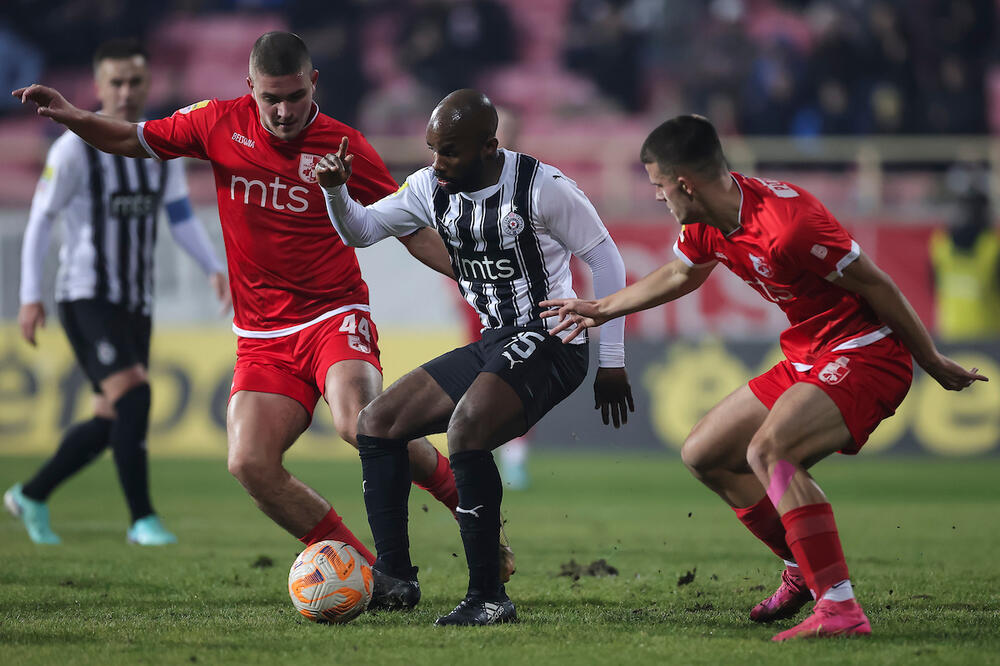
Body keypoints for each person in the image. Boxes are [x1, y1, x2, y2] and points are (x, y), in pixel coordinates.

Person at [10, 32, 478, 571]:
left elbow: (410, 228)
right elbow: (129, 138)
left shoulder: (343, 145)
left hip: (333, 314)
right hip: (261, 337)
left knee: (360, 424)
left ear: (313, 83)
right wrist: (73, 116)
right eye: (270, 98)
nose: (282, 112)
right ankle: (361, 570)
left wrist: (470, 278)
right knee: (250, 463)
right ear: (249, 87)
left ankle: (469, 509)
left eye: (294, 96)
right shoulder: (216, 122)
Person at [540, 115, 987, 641]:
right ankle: (803, 563)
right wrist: (601, 308)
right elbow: (681, 272)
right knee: (704, 453)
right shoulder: (706, 221)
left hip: (867, 352)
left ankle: (840, 609)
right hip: (809, 354)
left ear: (683, 182)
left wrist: (931, 361)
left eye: (657, 185)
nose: (656, 197)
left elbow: (877, 282)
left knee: (769, 451)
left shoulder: (788, 225)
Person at [318, 88, 635, 626]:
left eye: (451, 153)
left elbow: (606, 261)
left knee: (466, 431)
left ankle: (489, 596)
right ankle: (395, 578)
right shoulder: (428, 186)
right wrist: (336, 192)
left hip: (553, 337)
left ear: (490, 148)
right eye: (433, 149)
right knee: (377, 423)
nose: (437, 164)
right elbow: (362, 230)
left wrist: (611, 358)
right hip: (496, 338)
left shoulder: (543, 187)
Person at [4, 38, 228, 546]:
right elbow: (41, 218)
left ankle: (31, 494)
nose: (126, 92)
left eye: (135, 82)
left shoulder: (159, 146)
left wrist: (213, 266)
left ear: (147, 85)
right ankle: (142, 520)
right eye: (117, 82)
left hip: (135, 302)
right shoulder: (74, 147)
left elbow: (177, 215)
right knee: (136, 394)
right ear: (99, 86)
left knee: (111, 418)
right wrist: (30, 295)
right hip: (87, 295)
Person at [929, 162, 1000, 340]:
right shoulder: (992, 246)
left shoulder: (940, 243)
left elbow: (933, 285)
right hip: (989, 339)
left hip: (951, 335)